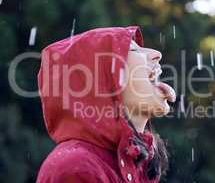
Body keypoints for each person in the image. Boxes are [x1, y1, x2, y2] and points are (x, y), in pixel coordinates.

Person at [36, 26, 176, 183]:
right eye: (134, 50)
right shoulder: (76, 169)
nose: (157, 54)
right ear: (101, 83)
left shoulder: (138, 165)